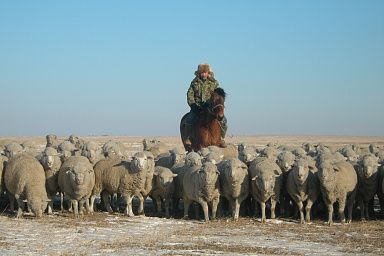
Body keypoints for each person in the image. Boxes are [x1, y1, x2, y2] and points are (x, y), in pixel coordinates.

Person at [184, 63, 227, 148]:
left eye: (205, 72)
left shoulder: (214, 83)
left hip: (210, 107)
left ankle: (221, 138)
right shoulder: (194, 83)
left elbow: (218, 95)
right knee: (189, 119)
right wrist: (193, 105)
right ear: (199, 73)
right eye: (202, 72)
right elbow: (190, 95)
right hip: (197, 107)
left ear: (208, 73)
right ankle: (189, 138)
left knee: (224, 120)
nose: (204, 74)